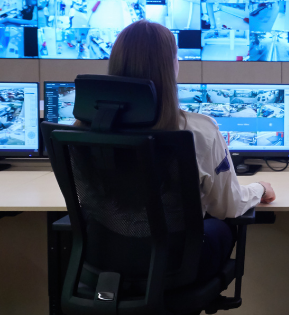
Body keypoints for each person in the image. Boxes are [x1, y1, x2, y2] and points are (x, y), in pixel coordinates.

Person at [99, 20, 277, 284]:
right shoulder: (197, 129)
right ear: (170, 66)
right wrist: (259, 189)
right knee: (223, 222)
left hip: (105, 260)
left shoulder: (86, 128)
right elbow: (227, 206)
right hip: (176, 266)